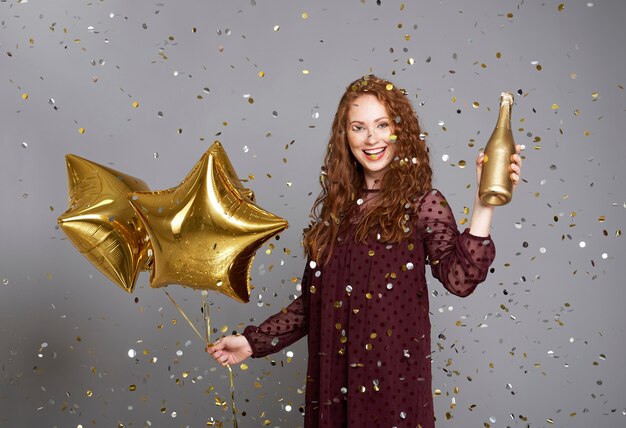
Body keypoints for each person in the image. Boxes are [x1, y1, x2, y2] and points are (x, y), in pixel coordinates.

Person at [207, 75, 522, 427]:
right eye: (359, 127)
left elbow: (460, 279)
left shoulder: (422, 205)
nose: (371, 138)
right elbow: (314, 304)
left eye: (382, 125)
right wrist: (252, 343)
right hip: (331, 387)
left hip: (393, 390)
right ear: (345, 136)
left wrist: (483, 205)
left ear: (399, 131)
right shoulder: (335, 214)